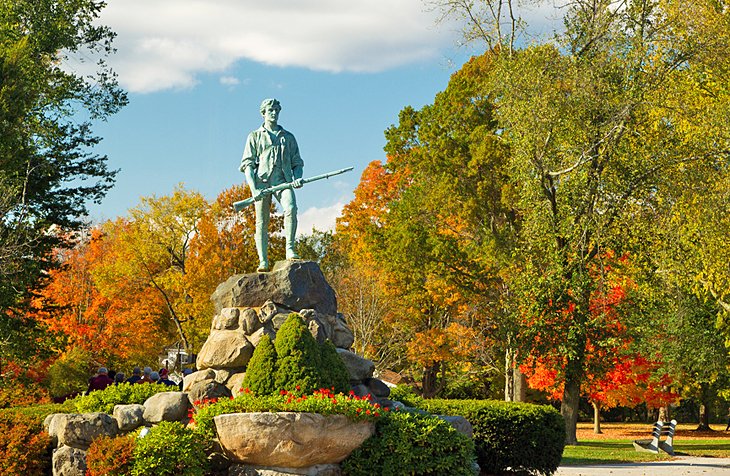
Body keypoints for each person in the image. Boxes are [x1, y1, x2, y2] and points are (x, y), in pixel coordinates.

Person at [240, 98, 304, 272]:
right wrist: (254, 189)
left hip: (283, 181)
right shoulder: (254, 136)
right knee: (262, 222)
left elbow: (297, 163)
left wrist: (297, 177)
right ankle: (263, 260)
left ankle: (290, 248)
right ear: (263, 113)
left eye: (276, 110)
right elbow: (248, 165)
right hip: (262, 183)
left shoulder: (288, 137)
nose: (274, 113)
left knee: (291, 207)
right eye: (270, 110)